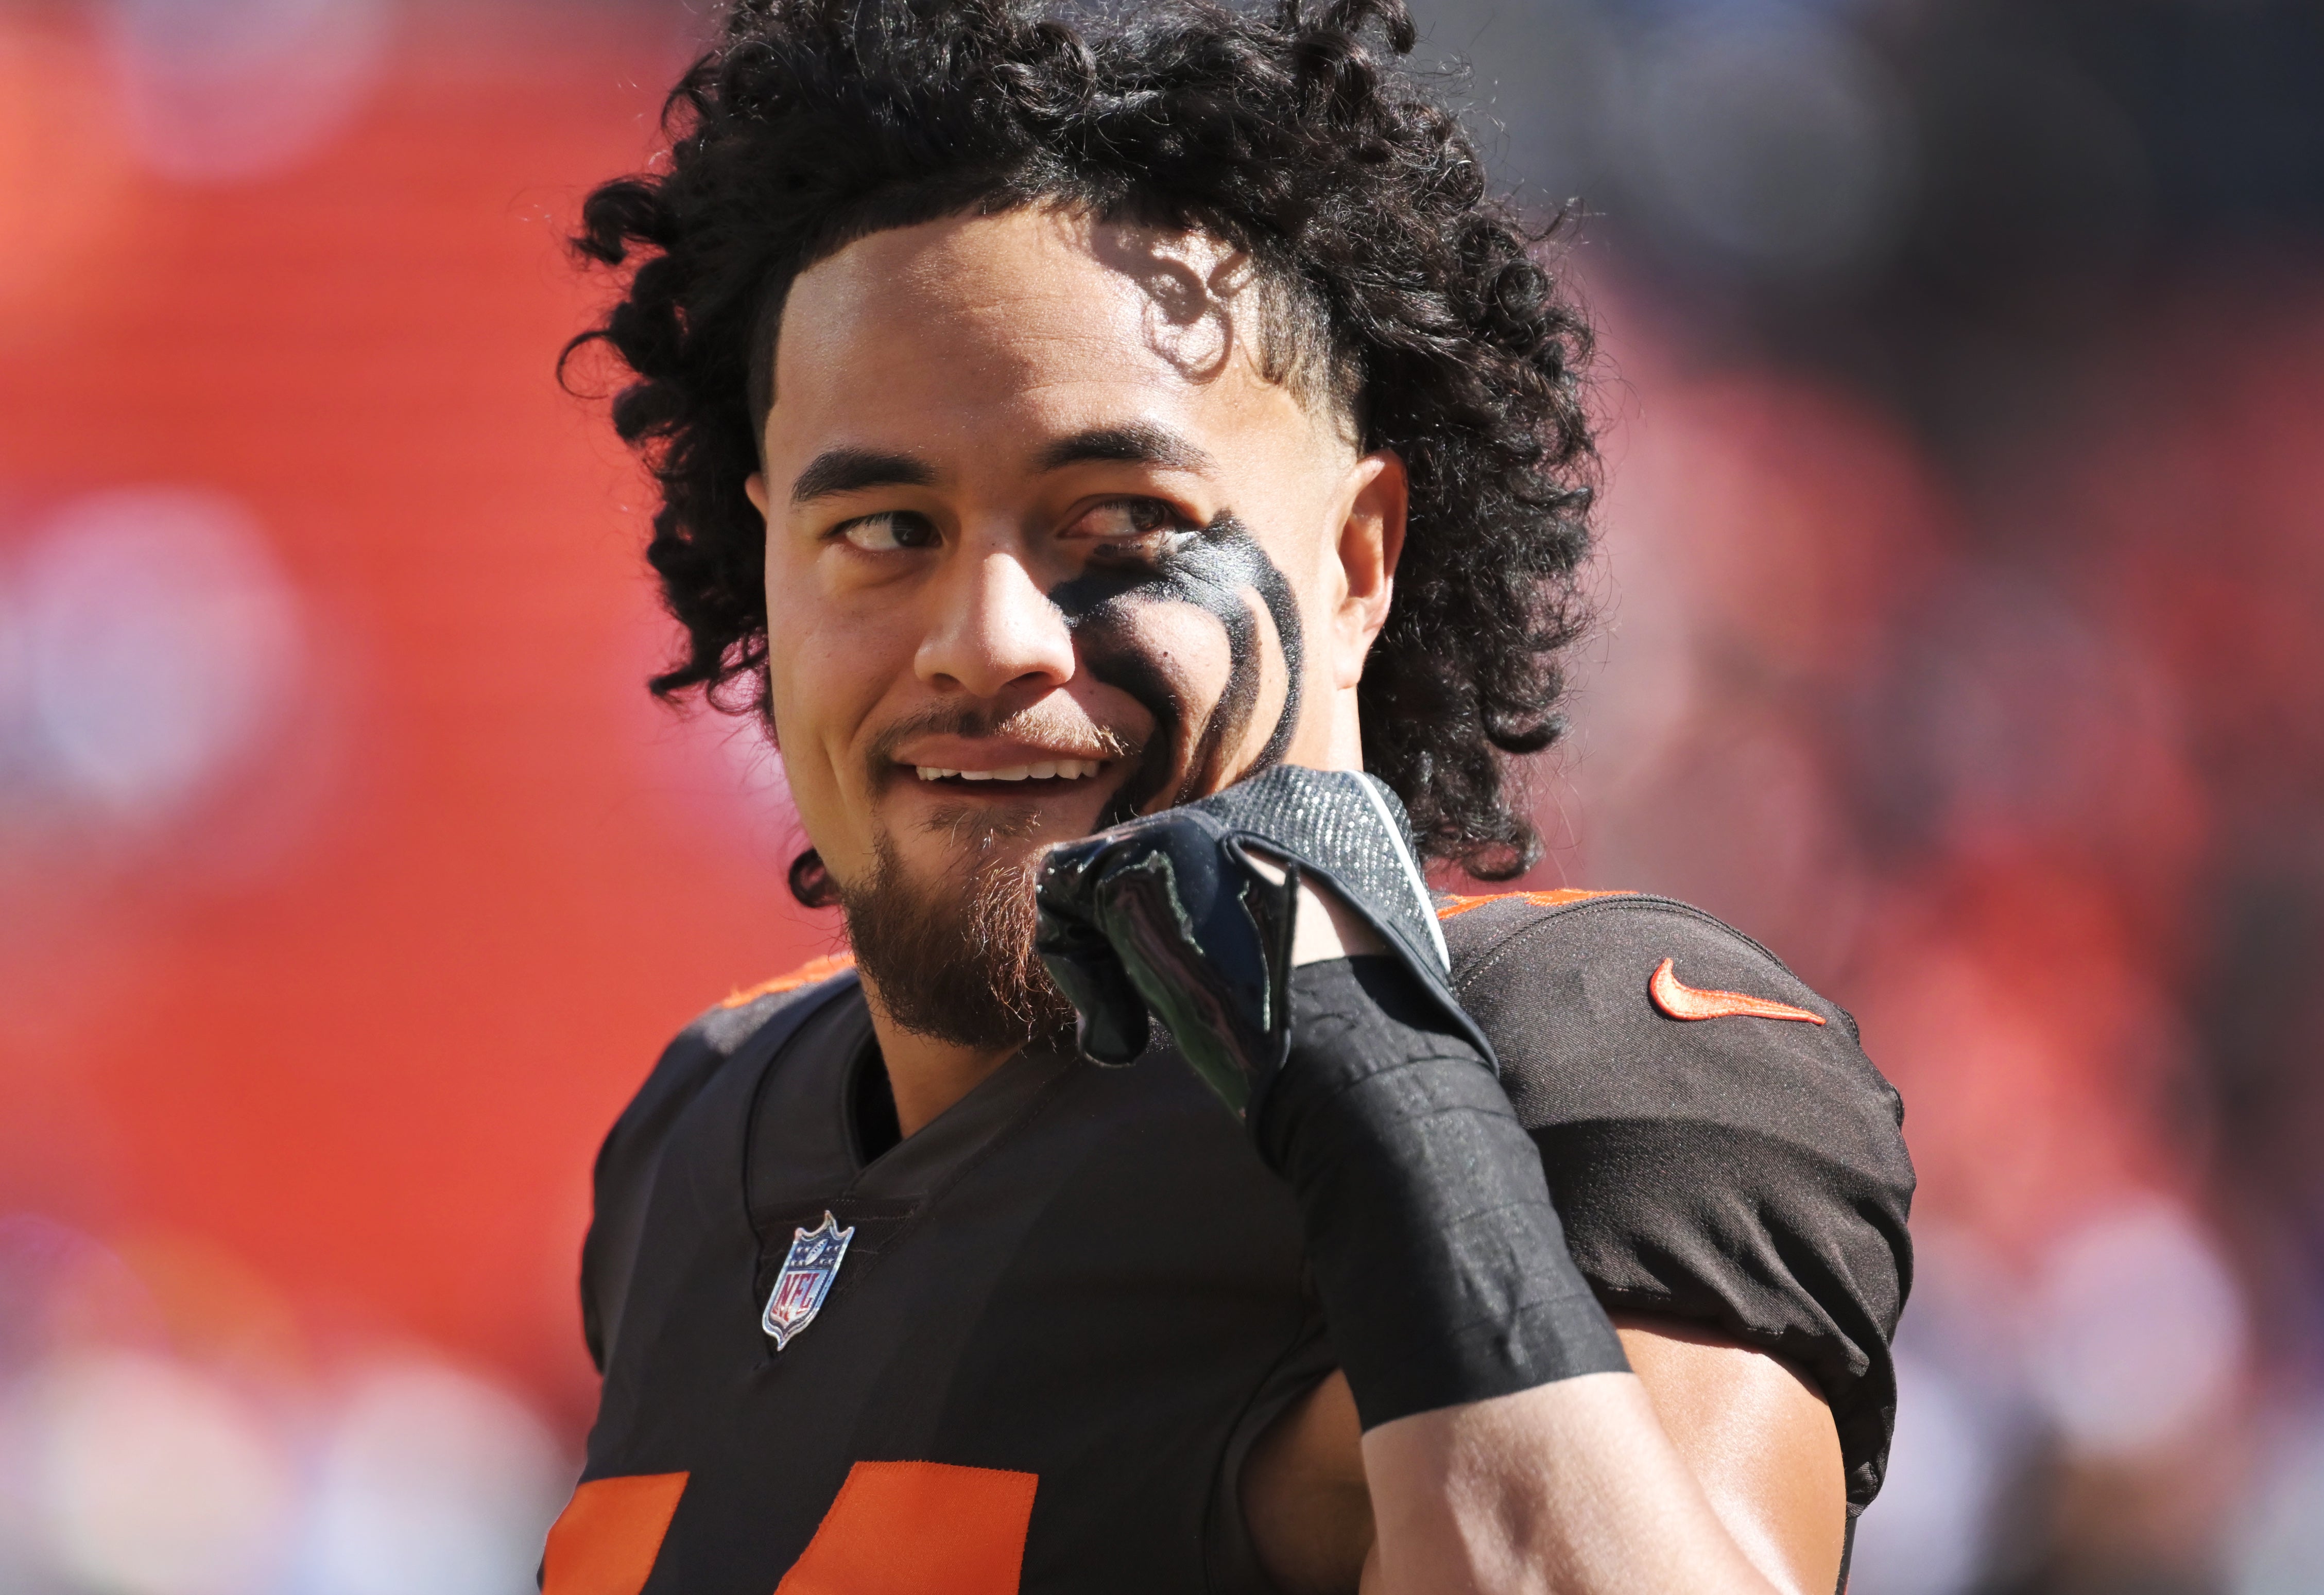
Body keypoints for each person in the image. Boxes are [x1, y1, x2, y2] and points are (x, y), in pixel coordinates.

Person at [542, 2, 1914, 1592]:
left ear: (1357, 560)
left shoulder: (1576, 1043)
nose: (985, 639)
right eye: (884, 531)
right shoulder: (704, 1125)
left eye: (1121, 519)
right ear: (767, 559)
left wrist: (1386, 1091)